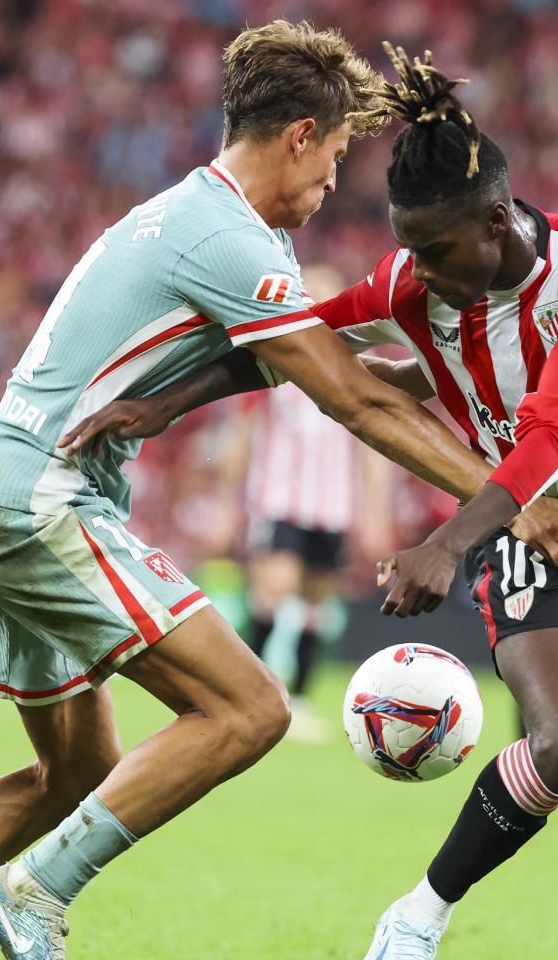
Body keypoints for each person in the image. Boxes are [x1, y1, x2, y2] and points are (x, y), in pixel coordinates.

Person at [0, 23, 558, 960]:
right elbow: (343, 396)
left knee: (78, 775)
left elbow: (318, 369)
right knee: (250, 709)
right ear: (301, 134)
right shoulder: (233, 237)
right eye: (338, 153)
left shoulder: (178, 214)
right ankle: (36, 892)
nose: (336, 181)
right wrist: (515, 496)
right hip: (41, 503)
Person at [67, 46, 558, 960]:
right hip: (530, 535)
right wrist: (164, 403)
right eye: (408, 247)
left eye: (437, 249)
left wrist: (444, 544)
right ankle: (418, 916)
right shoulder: (414, 283)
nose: (416, 269)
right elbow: (284, 346)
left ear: (497, 219)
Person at [225, 263, 393, 741]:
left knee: (317, 600)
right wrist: (225, 498)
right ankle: (246, 693)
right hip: (279, 500)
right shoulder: (276, 355)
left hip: (333, 505)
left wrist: (375, 510)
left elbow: (372, 446)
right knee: (274, 588)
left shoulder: (357, 362)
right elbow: (243, 428)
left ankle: (294, 700)